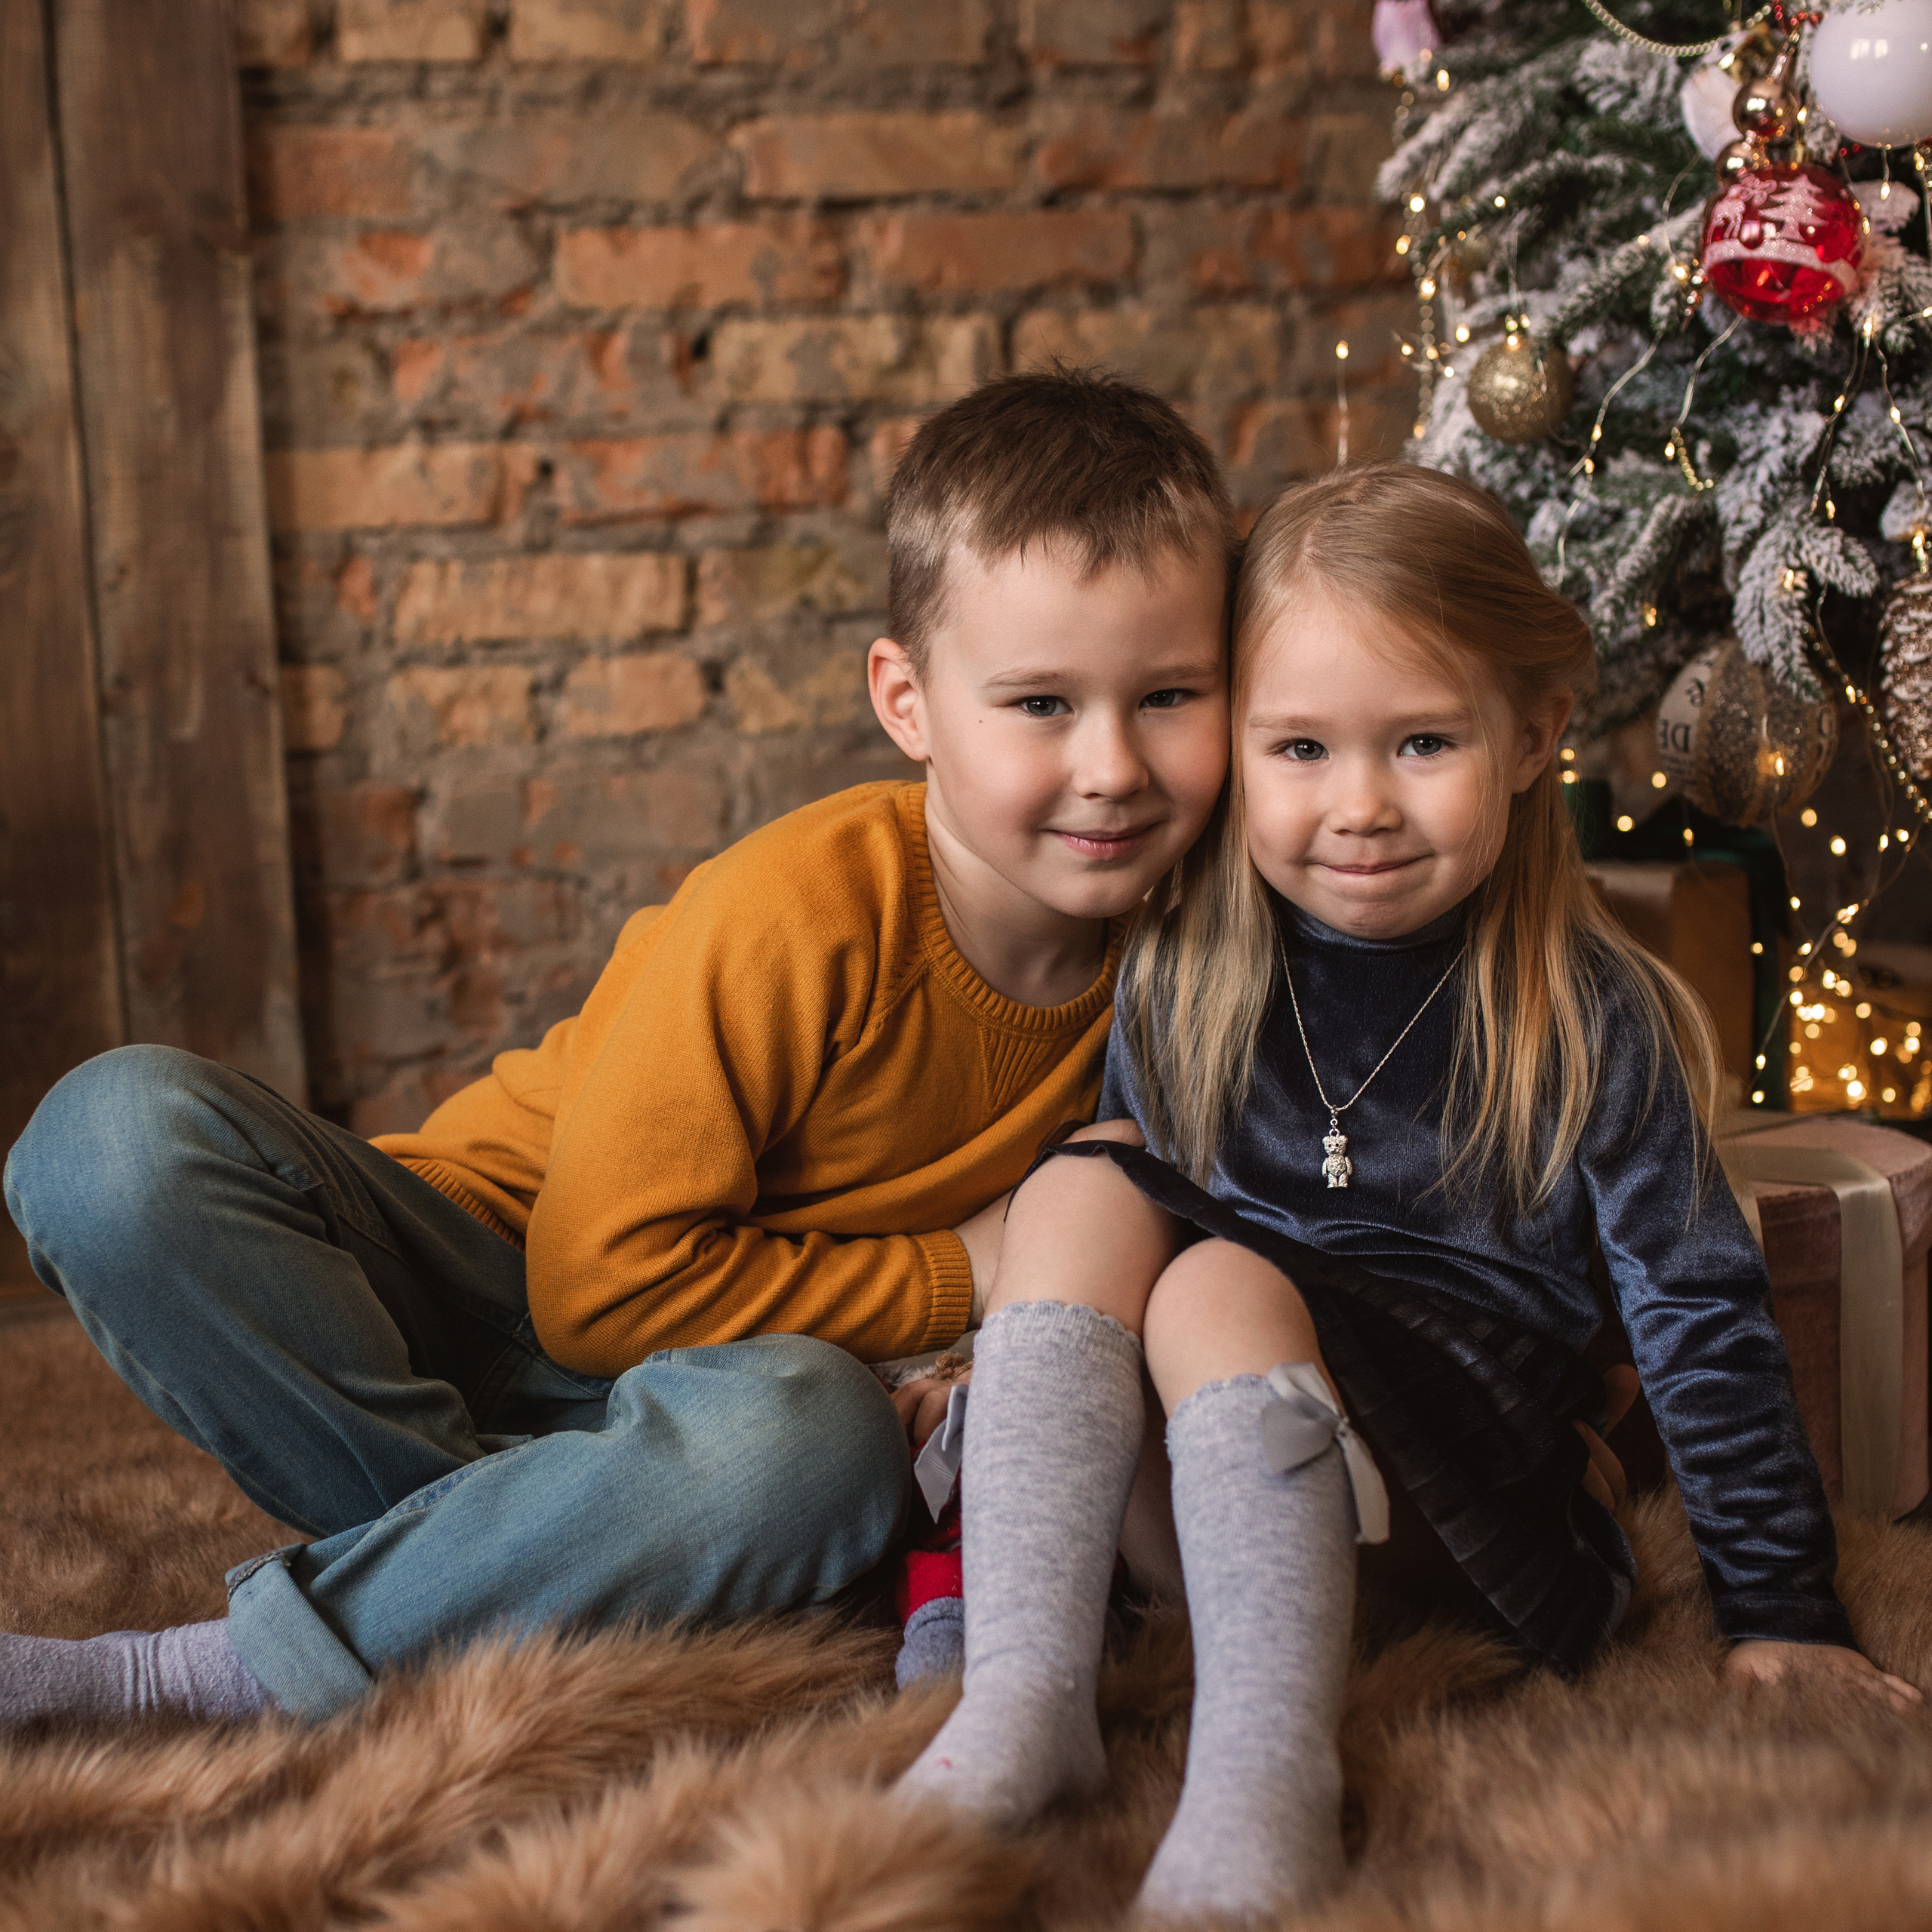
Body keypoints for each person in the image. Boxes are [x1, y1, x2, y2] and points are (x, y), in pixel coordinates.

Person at [0, 368, 1235, 1729]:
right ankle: (489, 1577)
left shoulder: (1200, 965)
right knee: (110, 1142)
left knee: (808, 1441)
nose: (1114, 765)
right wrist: (962, 1271)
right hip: (482, 1290)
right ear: (908, 703)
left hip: (754, 1400)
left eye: (1171, 695)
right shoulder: (802, 908)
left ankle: (501, 1572)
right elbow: (596, 1291)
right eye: (1041, 705)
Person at [897, 463, 1921, 1924]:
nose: (1358, 804)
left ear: (1530, 733)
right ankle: (1019, 1698)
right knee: (1089, 1185)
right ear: (1234, 748)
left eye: (1421, 740)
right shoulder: (1188, 968)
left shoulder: (1586, 1012)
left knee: (1201, 1274)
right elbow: (1099, 1263)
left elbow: (1698, 1312)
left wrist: (1779, 1607)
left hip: (1459, 1519)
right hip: (1221, 1517)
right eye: (1299, 747)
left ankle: (1266, 1771)